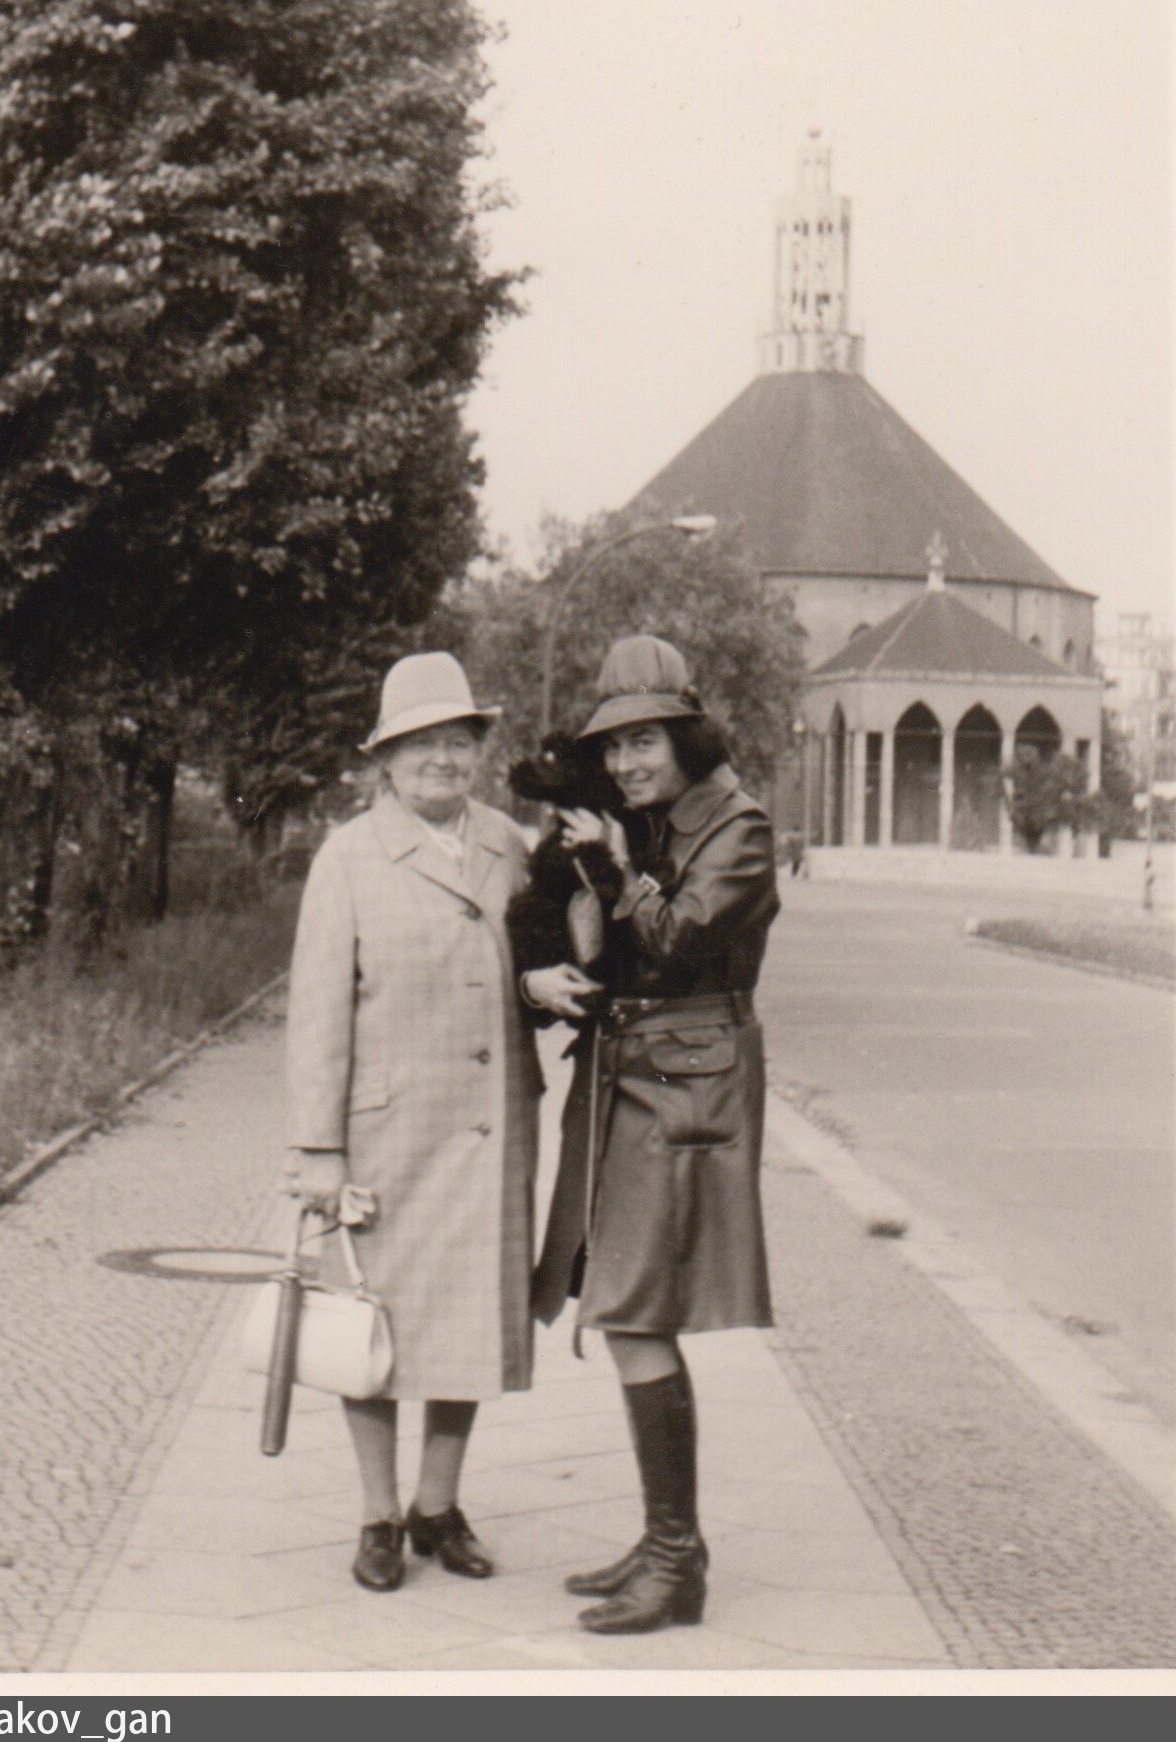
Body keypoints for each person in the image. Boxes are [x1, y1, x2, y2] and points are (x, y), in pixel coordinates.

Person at [524, 635, 780, 1636]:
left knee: (632, 1309)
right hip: (635, 1072)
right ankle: (672, 1546)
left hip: (683, 1083)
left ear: (686, 738)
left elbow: (674, 940)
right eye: (613, 746)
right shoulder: (654, 819)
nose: (626, 762)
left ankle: (675, 1558)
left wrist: (615, 866)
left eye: (645, 741)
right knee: (629, 1306)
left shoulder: (738, 827)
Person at [284, 651, 548, 1593]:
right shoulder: (349, 856)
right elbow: (317, 1010)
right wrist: (318, 1150)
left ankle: (438, 1506)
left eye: (458, 741)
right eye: (420, 744)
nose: (442, 758)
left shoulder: (508, 844)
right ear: (386, 762)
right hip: (386, 1138)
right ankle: (376, 1516)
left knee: (468, 1319)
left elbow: (544, 963)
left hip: (489, 1127)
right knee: (374, 1326)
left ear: (478, 753)